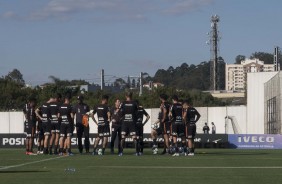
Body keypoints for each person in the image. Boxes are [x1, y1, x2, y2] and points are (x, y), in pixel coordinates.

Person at [119, 91, 139, 156]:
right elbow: (137, 112)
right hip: (132, 122)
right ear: (131, 96)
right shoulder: (134, 103)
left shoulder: (123, 103)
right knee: (134, 137)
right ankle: (137, 152)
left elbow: (120, 112)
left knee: (123, 137)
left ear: (126, 96)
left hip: (125, 122)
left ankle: (121, 152)